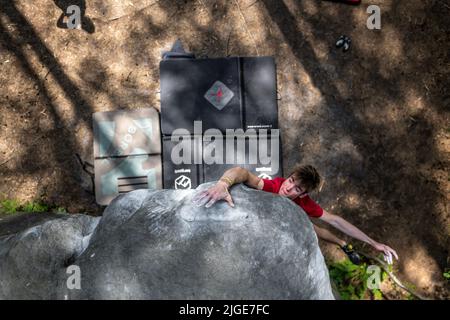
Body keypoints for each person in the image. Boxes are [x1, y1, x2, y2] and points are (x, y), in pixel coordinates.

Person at [192, 165, 398, 265]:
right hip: (264, 214)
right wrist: (223, 184)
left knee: (311, 227)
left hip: (284, 219)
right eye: (291, 181)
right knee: (309, 226)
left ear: (304, 194)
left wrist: (373, 243)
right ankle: (343, 243)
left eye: (297, 189)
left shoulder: (302, 202)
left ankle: (343, 244)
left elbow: (335, 219)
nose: (288, 189)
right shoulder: (273, 186)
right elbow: (241, 172)